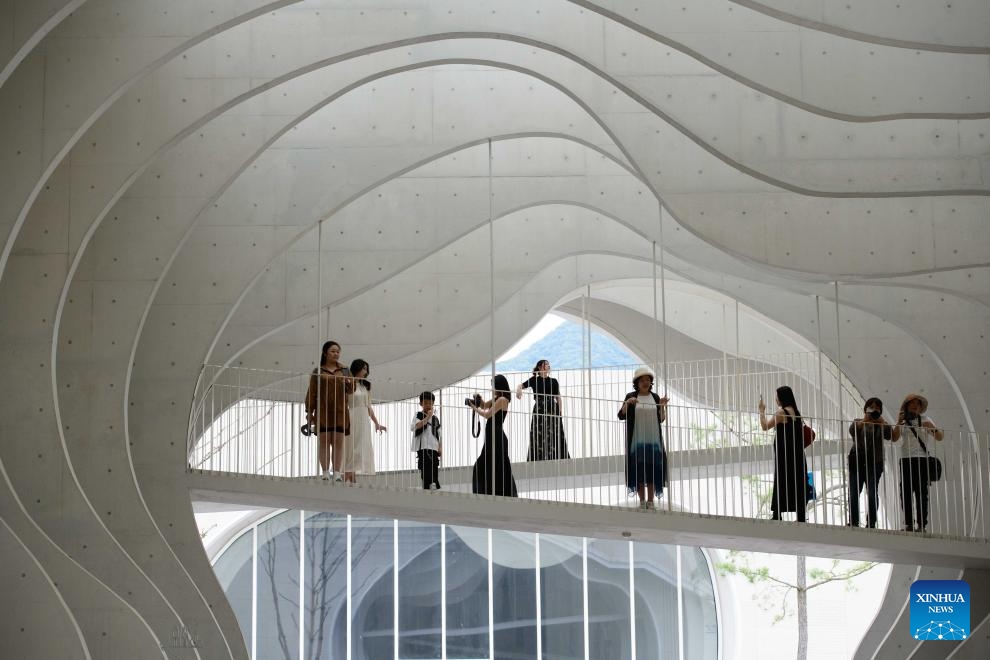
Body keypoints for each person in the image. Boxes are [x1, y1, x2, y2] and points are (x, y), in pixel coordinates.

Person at [618, 367, 669, 510]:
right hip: (637, 440)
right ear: (637, 383)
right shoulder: (631, 396)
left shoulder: (655, 397)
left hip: (653, 440)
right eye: (642, 380)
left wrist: (662, 406)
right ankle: (642, 501)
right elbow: (621, 415)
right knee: (639, 470)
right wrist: (627, 403)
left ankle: (650, 501)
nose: (645, 382)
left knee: (652, 469)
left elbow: (661, 419)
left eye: (647, 380)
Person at [891, 393, 943, 532]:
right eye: (912, 403)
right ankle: (909, 524)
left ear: (920, 408)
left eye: (917, 404)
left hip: (922, 459)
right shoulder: (902, 421)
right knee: (905, 492)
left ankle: (921, 525)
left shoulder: (926, 419)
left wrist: (931, 427)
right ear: (907, 406)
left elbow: (940, 437)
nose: (915, 406)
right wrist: (898, 422)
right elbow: (894, 438)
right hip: (906, 459)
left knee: (921, 493)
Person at [304, 341, 353, 481]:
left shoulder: (345, 370)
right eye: (333, 351)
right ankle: (325, 472)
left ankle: (336, 472)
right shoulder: (318, 371)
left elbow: (352, 389)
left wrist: (349, 383)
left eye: (338, 351)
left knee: (338, 442)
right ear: (325, 353)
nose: (336, 354)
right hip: (323, 411)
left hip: (340, 411)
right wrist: (309, 412)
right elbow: (312, 392)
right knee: (324, 441)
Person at [759, 386, 808, 522]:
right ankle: (801, 516)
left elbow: (765, 426)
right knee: (798, 482)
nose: (776, 399)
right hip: (798, 455)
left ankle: (777, 514)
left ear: (782, 397)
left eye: (777, 396)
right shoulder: (797, 414)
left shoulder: (781, 413)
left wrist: (761, 411)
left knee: (782, 480)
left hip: (785, 455)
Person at [468, 374, 518, 497]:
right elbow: (484, 406)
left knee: (493, 464)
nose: (492, 388)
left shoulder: (502, 400)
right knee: (487, 463)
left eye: (493, 386)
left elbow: (487, 414)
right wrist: (478, 399)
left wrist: (473, 407)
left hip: (497, 436)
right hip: (492, 435)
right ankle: (490, 491)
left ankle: (499, 492)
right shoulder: (497, 398)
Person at [847, 397, 891, 528]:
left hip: (875, 462)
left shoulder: (881, 424)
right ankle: (853, 521)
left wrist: (882, 422)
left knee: (872, 493)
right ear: (866, 409)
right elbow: (852, 431)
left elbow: (889, 435)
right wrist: (865, 421)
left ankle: (871, 522)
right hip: (857, 461)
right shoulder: (858, 422)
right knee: (854, 492)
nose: (874, 410)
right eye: (871, 407)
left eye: (877, 408)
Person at [516, 359, 570, 461]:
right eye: (546, 364)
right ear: (540, 367)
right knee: (538, 433)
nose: (548, 366)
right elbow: (521, 385)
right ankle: (538, 459)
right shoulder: (534, 380)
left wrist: (560, 413)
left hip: (552, 409)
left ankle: (556, 458)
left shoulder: (554, 381)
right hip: (539, 409)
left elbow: (558, 397)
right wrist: (518, 390)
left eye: (549, 364)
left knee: (554, 433)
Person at [342, 359, 385, 483]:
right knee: (352, 445)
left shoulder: (365, 386)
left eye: (366, 369)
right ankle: (348, 475)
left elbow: (368, 407)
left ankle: (351, 476)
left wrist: (376, 423)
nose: (365, 371)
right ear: (357, 368)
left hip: (364, 418)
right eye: (363, 368)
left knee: (361, 445)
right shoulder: (348, 382)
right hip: (352, 415)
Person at [411, 391, 442, 490]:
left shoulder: (435, 418)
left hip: (434, 447)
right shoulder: (418, 414)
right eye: (426, 403)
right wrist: (428, 417)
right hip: (423, 447)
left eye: (430, 403)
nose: (428, 405)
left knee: (434, 467)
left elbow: (439, 434)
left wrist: (440, 448)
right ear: (421, 403)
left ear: (433, 404)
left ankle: (434, 484)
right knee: (425, 468)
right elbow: (416, 426)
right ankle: (427, 487)